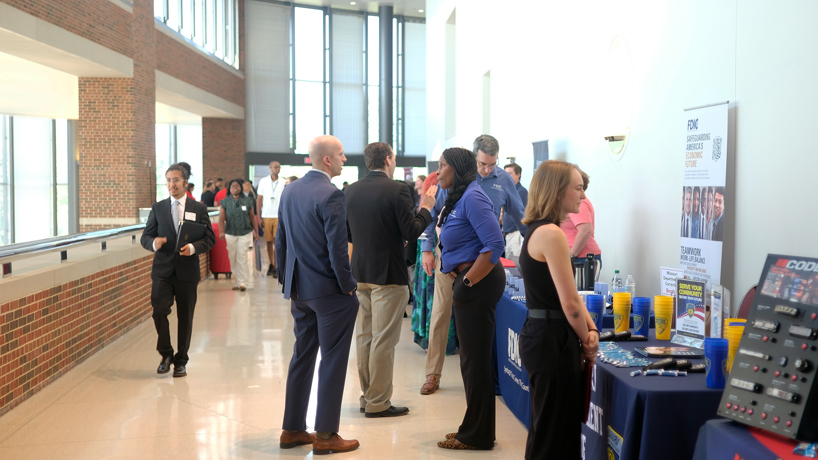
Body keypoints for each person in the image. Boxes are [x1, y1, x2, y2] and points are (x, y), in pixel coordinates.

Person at [418, 134, 525, 396]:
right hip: (450, 258)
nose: (487, 170)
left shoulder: (503, 181)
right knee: (441, 314)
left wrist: (538, 242)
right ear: (473, 158)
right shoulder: (452, 178)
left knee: (483, 324)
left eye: (492, 164)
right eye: (482, 164)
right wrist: (427, 249)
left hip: (483, 264)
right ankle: (433, 374)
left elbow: (521, 215)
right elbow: (434, 215)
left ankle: (489, 377)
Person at [276, 135, 360, 455]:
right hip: (330, 293)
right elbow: (338, 251)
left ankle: (293, 429)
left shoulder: (290, 190)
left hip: (300, 290)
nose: (344, 160)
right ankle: (326, 435)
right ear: (327, 160)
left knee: (302, 356)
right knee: (333, 361)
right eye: (341, 154)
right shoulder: (332, 195)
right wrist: (348, 285)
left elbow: (282, 242)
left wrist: (288, 284)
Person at [345, 142, 437, 418]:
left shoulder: (350, 190)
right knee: (383, 340)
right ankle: (378, 402)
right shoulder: (398, 189)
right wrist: (426, 208)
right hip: (388, 273)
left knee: (365, 337)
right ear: (387, 160)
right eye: (394, 158)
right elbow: (411, 231)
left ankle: (367, 396)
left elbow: (348, 234)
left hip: (360, 271)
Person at [518, 160, 599, 459]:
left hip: (546, 335)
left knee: (550, 429)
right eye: (577, 188)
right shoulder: (551, 233)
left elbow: (571, 297)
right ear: (557, 191)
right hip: (551, 339)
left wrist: (590, 330)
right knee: (554, 435)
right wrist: (588, 337)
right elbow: (569, 302)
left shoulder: (537, 230)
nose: (582, 196)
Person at [434, 147, 506, 451]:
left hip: (478, 283)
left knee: (474, 362)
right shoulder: (459, 197)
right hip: (471, 283)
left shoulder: (473, 197)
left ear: (458, 169)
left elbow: (495, 244)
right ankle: (475, 428)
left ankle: (476, 435)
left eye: (442, 167)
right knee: (471, 361)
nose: (438, 173)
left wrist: (466, 281)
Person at [140, 163, 215, 378]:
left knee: (185, 317)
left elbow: (209, 239)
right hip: (162, 271)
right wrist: (154, 243)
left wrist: (193, 248)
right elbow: (146, 237)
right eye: (169, 180)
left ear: (185, 183)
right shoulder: (158, 208)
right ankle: (166, 354)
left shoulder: (198, 208)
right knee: (159, 311)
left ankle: (181, 360)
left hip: (187, 272)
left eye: (175, 180)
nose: (171, 184)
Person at [411, 174, 459, 353]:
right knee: (437, 297)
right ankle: (437, 341)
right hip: (434, 249)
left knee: (431, 295)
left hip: (429, 249)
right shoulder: (439, 188)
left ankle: (430, 338)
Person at [218, 179, 259, 291]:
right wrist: (221, 232)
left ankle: (242, 282)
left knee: (242, 256)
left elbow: (252, 217)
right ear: (229, 189)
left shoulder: (248, 200)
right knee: (233, 257)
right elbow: (221, 218)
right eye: (232, 186)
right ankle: (236, 281)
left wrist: (256, 232)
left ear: (241, 187)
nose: (235, 188)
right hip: (230, 233)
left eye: (237, 186)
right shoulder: (225, 202)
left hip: (245, 232)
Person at [560, 168, 602, 265]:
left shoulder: (580, 202)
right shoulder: (573, 202)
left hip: (581, 257)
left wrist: (571, 256)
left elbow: (585, 230)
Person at [257, 161, 286, 278]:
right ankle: (272, 264)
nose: (277, 169)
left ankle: (277, 265)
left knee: (277, 241)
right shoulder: (263, 181)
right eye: (275, 167)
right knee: (269, 241)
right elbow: (259, 199)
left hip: (279, 216)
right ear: (270, 168)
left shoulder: (283, 182)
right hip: (267, 215)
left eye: (279, 167)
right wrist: (258, 216)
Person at [502, 163, 528, 257]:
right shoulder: (509, 191)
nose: (506, 176)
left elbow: (520, 214)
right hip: (509, 235)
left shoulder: (521, 192)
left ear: (518, 174)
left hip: (517, 234)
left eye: (510, 173)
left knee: (516, 266)